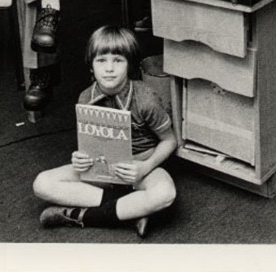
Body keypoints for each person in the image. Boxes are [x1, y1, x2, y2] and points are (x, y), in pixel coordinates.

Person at [32, 25, 177, 238]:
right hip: (101, 168)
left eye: (118, 60)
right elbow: (89, 145)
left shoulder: (145, 98)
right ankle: (130, 210)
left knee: (165, 194)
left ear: (129, 66)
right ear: (91, 66)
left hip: (140, 168)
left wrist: (145, 167)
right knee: (41, 184)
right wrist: (80, 158)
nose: (109, 68)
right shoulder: (85, 98)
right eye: (101, 60)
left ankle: (80, 216)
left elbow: (170, 141)